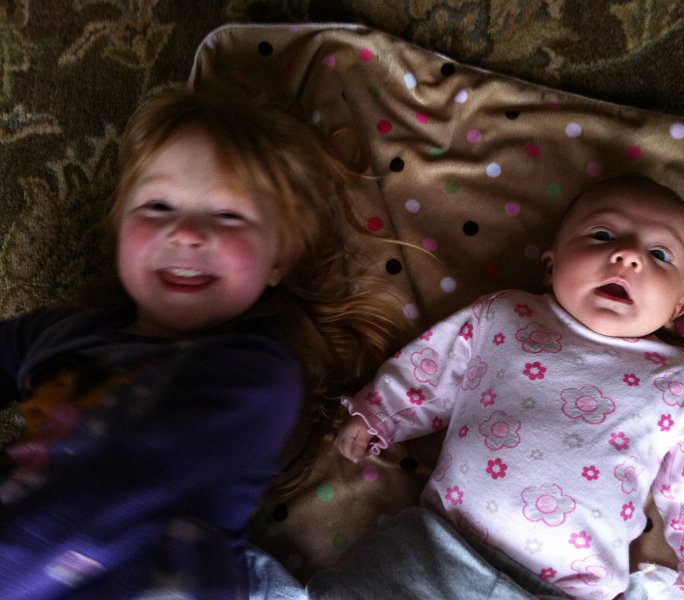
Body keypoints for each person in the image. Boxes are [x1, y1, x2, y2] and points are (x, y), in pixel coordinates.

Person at [0, 85, 401, 599]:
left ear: (278, 259)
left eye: (228, 214)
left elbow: (122, 488)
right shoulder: (59, 334)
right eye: (158, 205)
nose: (186, 232)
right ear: (119, 228)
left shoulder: (255, 379)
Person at [334, 177, 684, 599]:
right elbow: (434, 366)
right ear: (552, 265)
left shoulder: (679, 380)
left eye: (660, 255)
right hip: (439, 545)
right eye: (602, 235)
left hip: (565, 590)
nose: (627, 256)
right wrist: (380, 411)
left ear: (676, 309)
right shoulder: (505, 315)